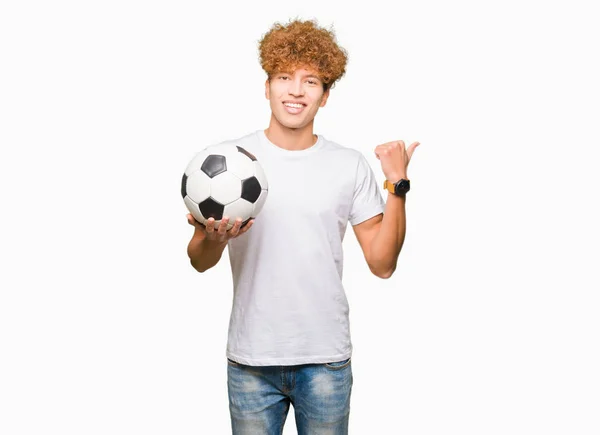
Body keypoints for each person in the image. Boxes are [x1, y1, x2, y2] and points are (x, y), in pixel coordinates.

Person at [186, 18, 419, 435]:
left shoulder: (348, 165)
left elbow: (383, 264)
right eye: (284, 77)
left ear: (325, 95)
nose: (296, 90)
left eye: (310, 81)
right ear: (267, 86)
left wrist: (397, 186)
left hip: (325, 361)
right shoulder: (229, 164)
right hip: (251, 362)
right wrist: (213, 239)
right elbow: (200, 262)